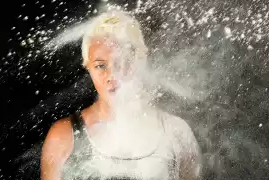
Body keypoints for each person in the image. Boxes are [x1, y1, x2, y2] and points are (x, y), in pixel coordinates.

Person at [41, 10, 202, 180]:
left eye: (122, 62)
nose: (112, 76)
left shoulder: (176, 133)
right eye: (101, 66)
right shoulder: (64, 137)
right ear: (87, 66)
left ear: (140, 61)